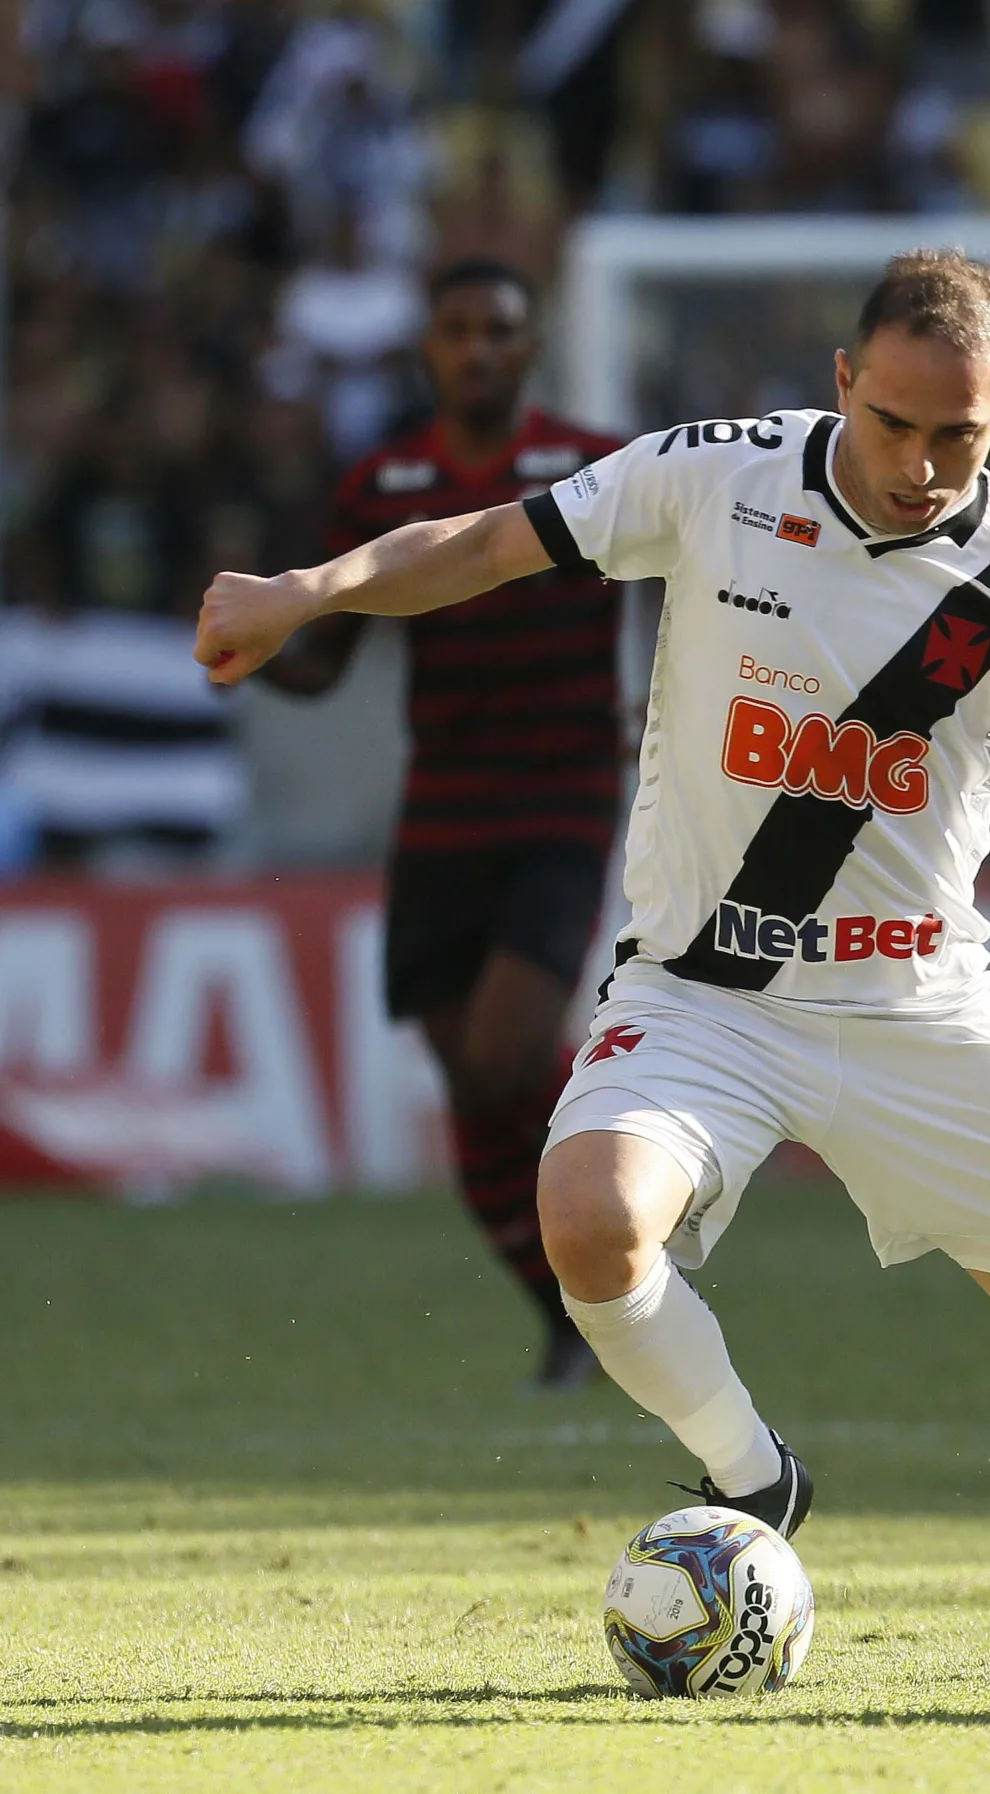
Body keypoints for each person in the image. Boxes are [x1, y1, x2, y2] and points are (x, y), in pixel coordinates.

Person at [196, 250, 990, 1669]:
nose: (924, 462)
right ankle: (755, 1475)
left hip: (916, 1011)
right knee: (586, 1215)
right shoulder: (717, 476)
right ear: (843, 383)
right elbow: (486, 546)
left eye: (963, 432)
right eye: (896, 422)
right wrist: (309, 589)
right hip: (702, 999)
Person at [261, 259, 623, 1388]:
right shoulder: (381, 485)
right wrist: (255, 641)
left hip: (563, 799)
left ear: (530, 347)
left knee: (505, 1051)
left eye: (498, 330)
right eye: (457, 330)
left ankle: (637, 1172)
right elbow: (326, 660)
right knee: (471, 1089)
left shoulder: (592, 466)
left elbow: (697, 577)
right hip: (442, 809)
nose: (476, 349)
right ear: (428, 350)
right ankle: (568, 1316)